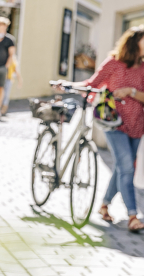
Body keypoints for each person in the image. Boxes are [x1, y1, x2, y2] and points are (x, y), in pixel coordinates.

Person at [57, 25, 144, 233]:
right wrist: (68, 85)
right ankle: (133, 215)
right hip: (113, 123)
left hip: (137, 124)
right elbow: (91, 83)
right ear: (135, 42)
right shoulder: (114, 63)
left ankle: (104, 205)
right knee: (126, 167)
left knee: (122, 168)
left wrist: (130, 91)